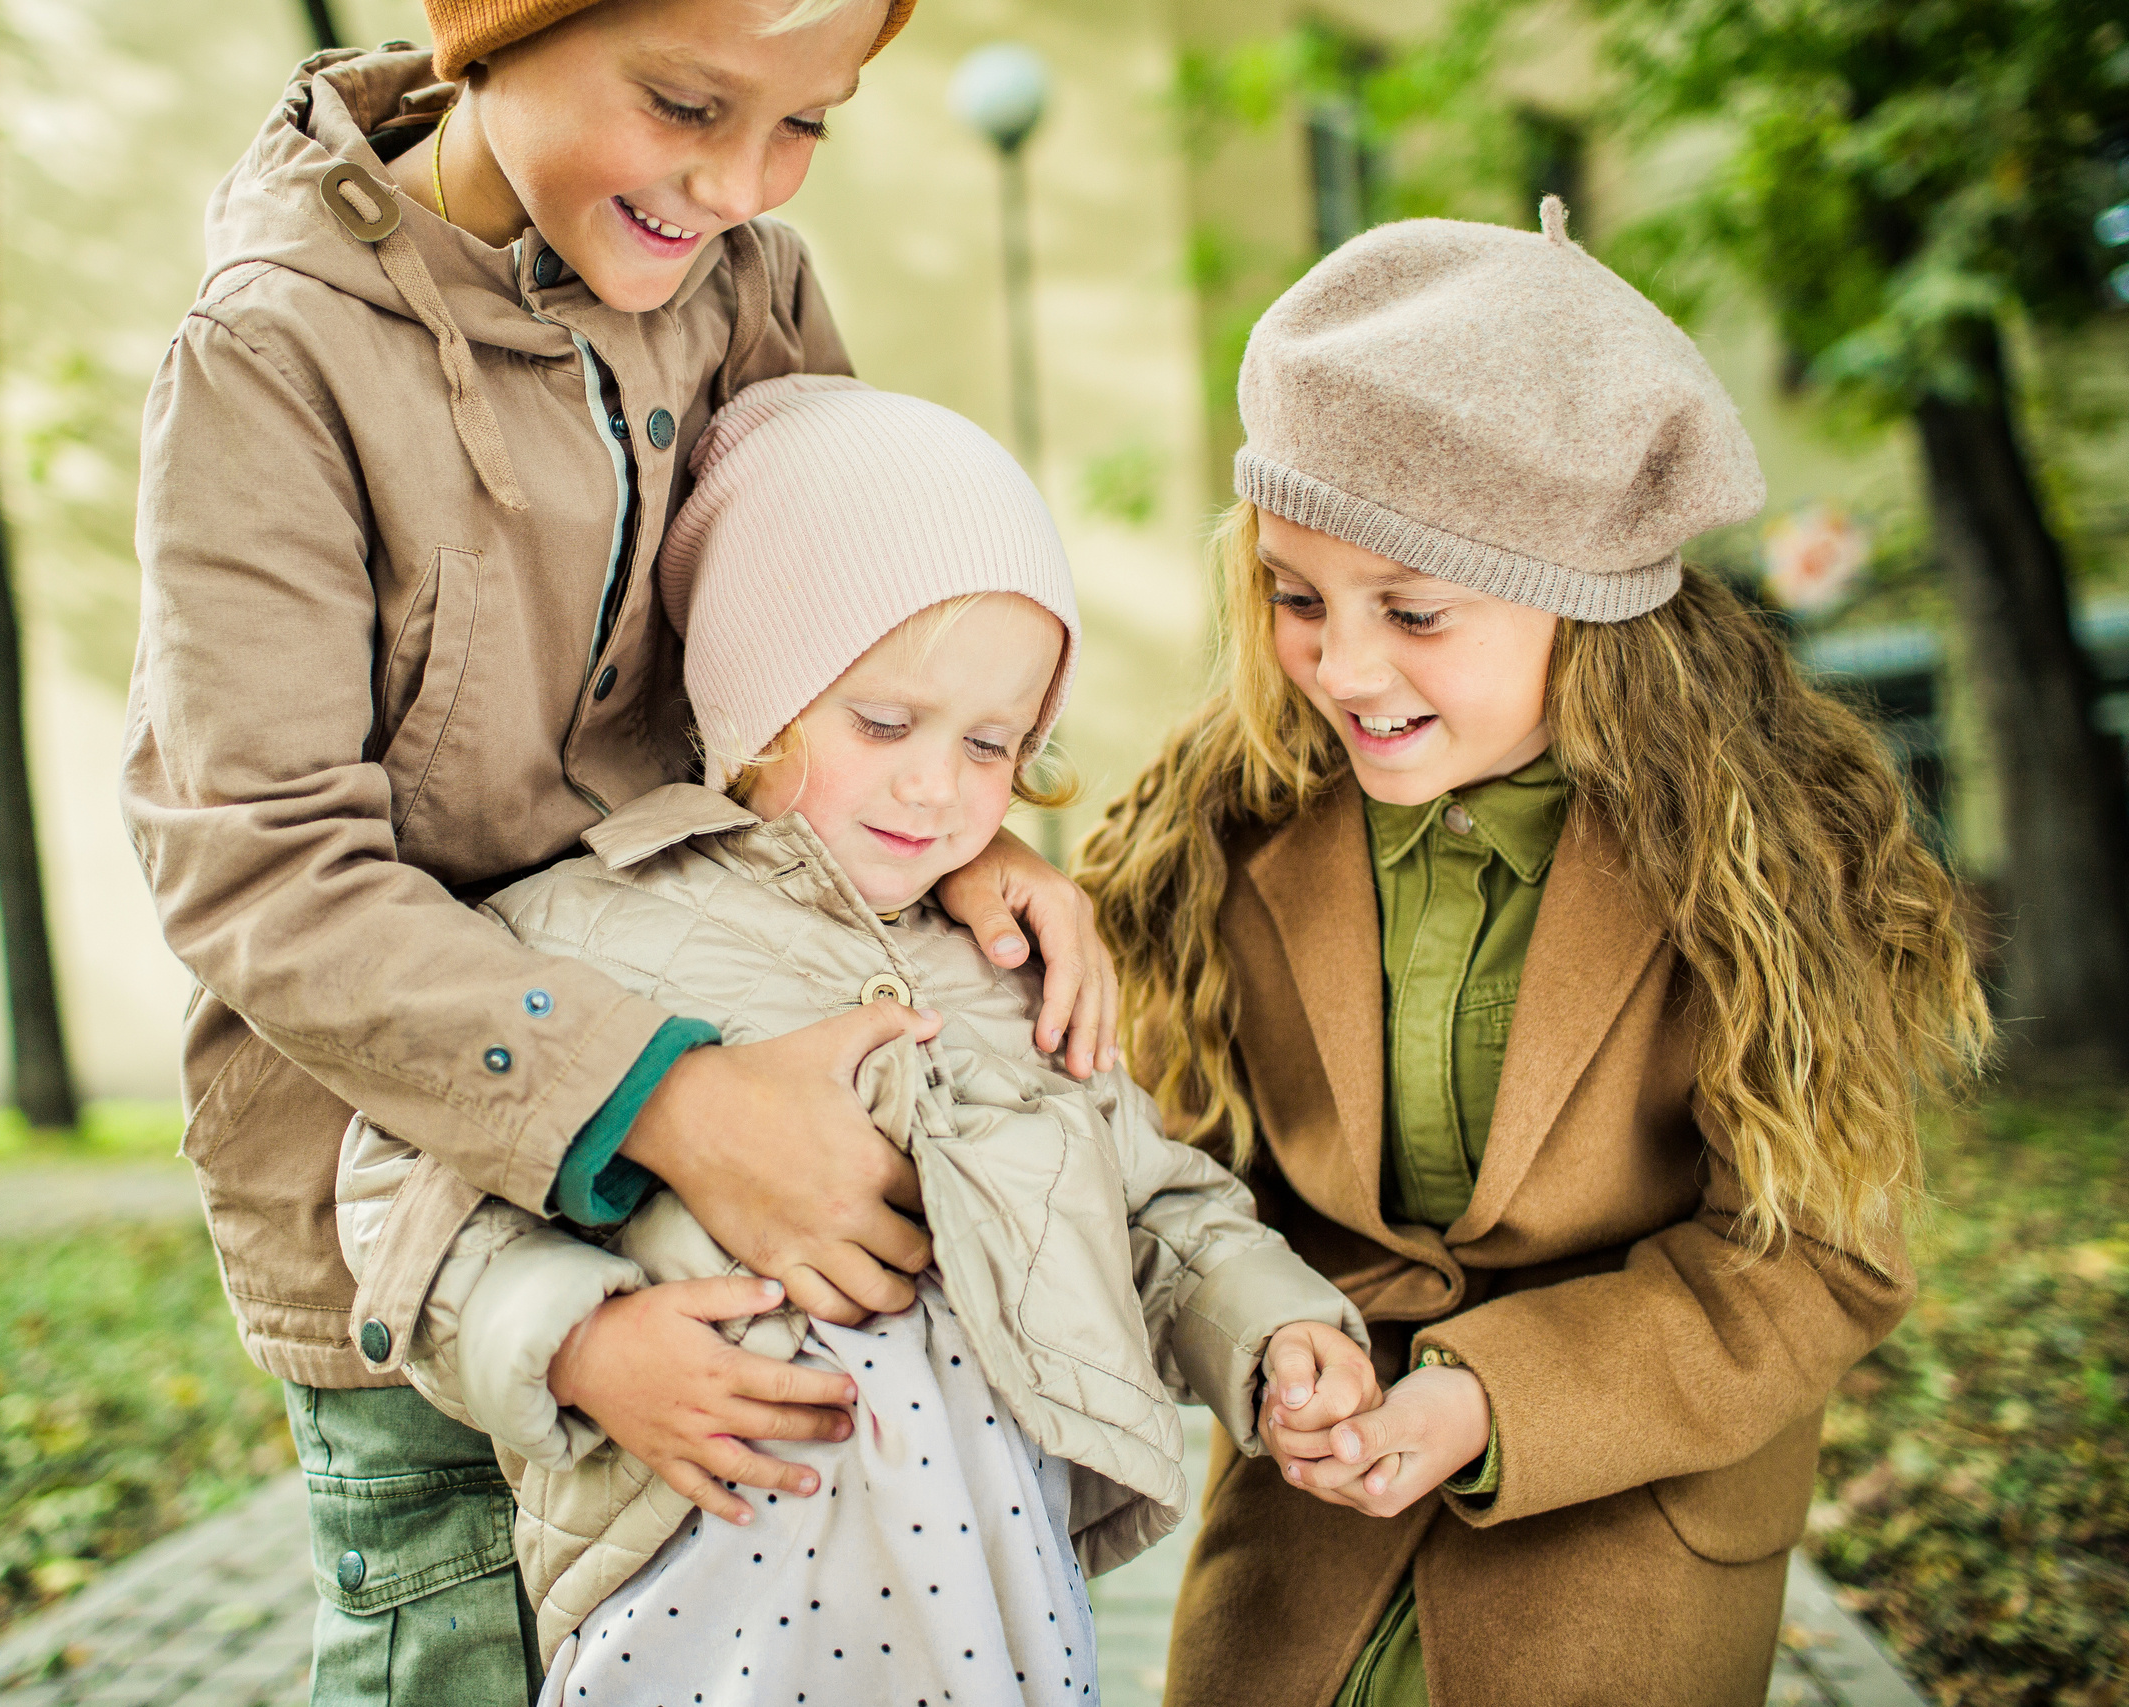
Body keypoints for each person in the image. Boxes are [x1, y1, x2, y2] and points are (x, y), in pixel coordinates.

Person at [121, 4, 1120, 1701]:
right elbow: (258, 865)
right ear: (492, 34)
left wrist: (970, 846)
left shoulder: (753, 290)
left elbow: (851, 636)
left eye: (806, 124)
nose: (737, 182)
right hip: (417, 1231)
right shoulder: (275, 358)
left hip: (736, 1214)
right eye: (682, 103)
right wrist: (662, 1098)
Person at [336, 377, 1380, 1707]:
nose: (938, 784)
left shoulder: (1011, 971)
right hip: (703, 1619)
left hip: (988, 1611)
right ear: (755, 693)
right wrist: (579, 1346)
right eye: (884, 724)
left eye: (994, 745)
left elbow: (1158, 1209)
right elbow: (397, 1204)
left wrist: (1273, 1333)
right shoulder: (582, 932)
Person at [1078, 199, 1993, 1707]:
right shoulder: (1223, 831)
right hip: (1308, 1539)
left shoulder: (1761, 866)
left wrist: (1489, 1399)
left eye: (1415, 612)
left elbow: (1817, 1259)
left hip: (1623, 1534)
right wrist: (1265, 1338)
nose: (1343, 666)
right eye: (1297, 599)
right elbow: (1178, 1175)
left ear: (1588, 611)